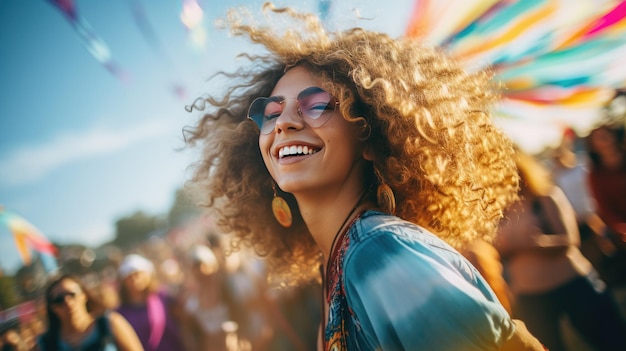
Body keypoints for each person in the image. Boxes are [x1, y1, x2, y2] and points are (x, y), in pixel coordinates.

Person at [183, 3, 544, 350]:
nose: (285, 123)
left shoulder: (380, 252)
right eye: (271, 112)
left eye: (317, 104)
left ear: (369, 139)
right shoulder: (342, 259)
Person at [495, 150, 626, 351]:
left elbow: (570, 240)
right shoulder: (495, 211)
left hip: (573, 285)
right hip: (532, 299)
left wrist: (534, 244)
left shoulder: (545, 196)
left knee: (613, 342)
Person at [35, 274, 142, 351]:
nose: (68, 302)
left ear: (83, 295)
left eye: (72, 294)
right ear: (53, 308)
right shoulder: (45, 344)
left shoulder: (109, 323)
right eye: (59, 300)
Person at [116, 254, 189, 351]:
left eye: (137, 274)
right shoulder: (120, 314)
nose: (134, 279)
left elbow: (185, 328)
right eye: (129, 276)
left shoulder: (165, 299)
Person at [586, 124, 626, 285]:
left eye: (605, 135)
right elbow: (604, 206)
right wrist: (620, 228)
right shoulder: (595, 173)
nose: (603, 141)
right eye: (598, 138)